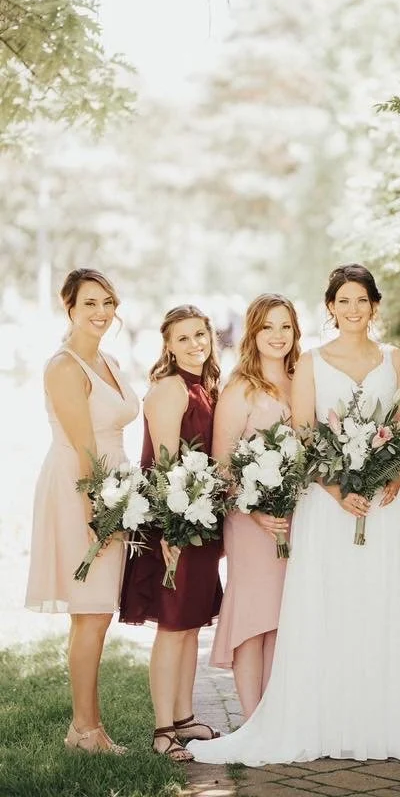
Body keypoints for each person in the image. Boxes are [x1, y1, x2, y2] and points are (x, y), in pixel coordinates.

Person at [188, 264, 400, 765]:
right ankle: (324, 719)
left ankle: (385, 723)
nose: (353, 309)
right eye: (344, 301)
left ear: (374, 306)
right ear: (330, 308)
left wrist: (387, 476)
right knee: (330, 607)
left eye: (362, 300)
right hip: (327, 504)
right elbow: (306, 436)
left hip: (385, 506)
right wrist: (338, 489)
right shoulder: (311, 363)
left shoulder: (396, 358)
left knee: (381, 605)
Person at [25, 268, 139, 753]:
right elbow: (84, 445)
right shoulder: (64, 367)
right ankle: (85, 730)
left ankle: (88, 727)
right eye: (89, 303)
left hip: (112, 484)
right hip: (81, 488)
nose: (100, 312)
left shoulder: (109, 359)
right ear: (68, 307)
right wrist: (99, 511)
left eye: (107, 302)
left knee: (98, 612)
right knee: (90, 613)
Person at [119, 305, 224, 762]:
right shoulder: (169, 388)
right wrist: (171, 530)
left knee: (190, 624)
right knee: (171, 625)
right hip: (174, 522)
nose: (195, 343)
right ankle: (164, 729)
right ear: (168, 345)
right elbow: (164, 467)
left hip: (198, 518)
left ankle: (184, 717)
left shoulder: (204, 387)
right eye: (183, 338)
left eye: (200, 334)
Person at [210, 293, 301, 717]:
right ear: (253, 333)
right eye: (268, 327)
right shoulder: (240, 389)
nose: (277, 336)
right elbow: (223, 464)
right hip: (250, 520)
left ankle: (275, 714)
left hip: (297, 517)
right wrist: (255, 509)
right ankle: (251, 719)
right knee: (253, 617)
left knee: (283, 618)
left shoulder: (302, 381)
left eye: (285, 326)